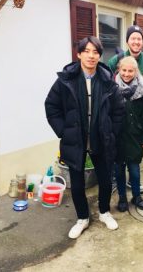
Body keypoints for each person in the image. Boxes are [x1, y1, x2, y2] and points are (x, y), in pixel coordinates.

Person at [45, 36, 125, 239]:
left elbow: (118, 111)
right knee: (77, 184)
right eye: (87, 51)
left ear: (99, 55)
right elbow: (51, 106)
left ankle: (105, 212)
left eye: (95, 52)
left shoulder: (107, 81)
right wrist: (64, 131)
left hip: (101, 139)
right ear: (79, 54)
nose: (91, 55)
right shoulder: (66, 80)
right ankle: (82, 218)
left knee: (105, 180)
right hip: (75, 139)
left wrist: (111, 132)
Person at [108, 25, 143, 193]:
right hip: (119, 120)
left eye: (139, 38)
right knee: (119, 163)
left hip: (137, 118)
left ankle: (134, 188)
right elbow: (108, 84)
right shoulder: (115, 60)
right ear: (127, 41)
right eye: (133, 38)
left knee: (134, 165)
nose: (136, 41)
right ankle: (117, 183)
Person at [114, 56, 143, 212]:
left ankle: (136, 196)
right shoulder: (112, 88)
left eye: (131, 71)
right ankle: (122, 198)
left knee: (134, 172)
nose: (127, 74)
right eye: (124, 70)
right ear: (119, 70)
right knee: (119, 172)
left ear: (136, 71)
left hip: (135, 138)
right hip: (117, 138)